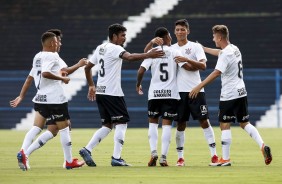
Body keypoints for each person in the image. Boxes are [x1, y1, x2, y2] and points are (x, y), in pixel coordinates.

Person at [79, 23, 164, 167]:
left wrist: (91, 85)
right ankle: (116, 158)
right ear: (114, 36)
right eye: (122, 35)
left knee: (107, 125)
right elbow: (130, 57)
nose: (124, 38)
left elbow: (87, 67)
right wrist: (149, 54)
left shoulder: (101, 48)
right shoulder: (115, 48)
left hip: (101, 92)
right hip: (112, 93)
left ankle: (87, 149)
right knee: (122, 123)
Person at [189, 25, 272, 166]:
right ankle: (262, 145)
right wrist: (203, 49)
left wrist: (199, 86)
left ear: (219, 37)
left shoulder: (226, 54)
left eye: (214, 36)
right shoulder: (234, 48)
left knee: (224, 124)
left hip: (229, 94)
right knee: (245, 123)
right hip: (241, 91)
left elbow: (216, 72)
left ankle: (225, 159)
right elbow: (219, 53)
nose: (213, 38)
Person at [144, 19, 218, 166]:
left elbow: (203, 66)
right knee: (180, 124)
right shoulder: (171, 48)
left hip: (196, 90)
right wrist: (152, 42)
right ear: (174, 32)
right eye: (177, 29)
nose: (179, 32)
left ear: (188, 31)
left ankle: (214, 155)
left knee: (204, 121)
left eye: (182, 29)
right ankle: (180, 157)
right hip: (178, 93)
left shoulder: (195, 46)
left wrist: (185, 60)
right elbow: (146, 54)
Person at [16, 31, 86, 171]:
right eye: (57, 41)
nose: (59, 44)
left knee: (44, 128)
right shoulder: (52, 55)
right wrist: (63, 79)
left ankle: (24, 152)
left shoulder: (38, 56)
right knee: (65, 127)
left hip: (41, 98)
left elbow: (32, 77)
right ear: (52, 43)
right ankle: (68, 161)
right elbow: (46, 73)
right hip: (55, 99)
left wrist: (21, 96)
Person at [136, 27, 181, 166]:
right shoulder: (175, 51)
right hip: (171, 94)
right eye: (170, 35)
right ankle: (163, 157)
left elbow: (141, 70)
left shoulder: (152, 52)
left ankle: (153, 152)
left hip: (154, 94)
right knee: (167, 125)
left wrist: (138, 84)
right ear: (167, 37)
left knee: (153, 124)